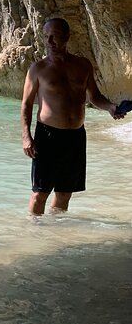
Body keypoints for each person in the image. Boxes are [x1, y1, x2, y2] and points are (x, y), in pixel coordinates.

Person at [21, 18, 126, 215]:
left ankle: (55, 231)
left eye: (54, 36)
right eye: (46, 37)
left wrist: (110, 107)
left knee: (65, 192)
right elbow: (26, 105)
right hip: (47, 135)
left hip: (76, 136)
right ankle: (35, 235)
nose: (49, 42)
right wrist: (26, 137)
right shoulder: (38, 69)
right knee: (40, 193)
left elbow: (94, 96)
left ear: (67, 37)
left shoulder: (83, 65)